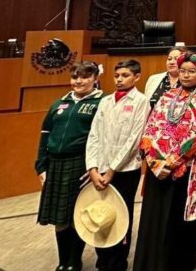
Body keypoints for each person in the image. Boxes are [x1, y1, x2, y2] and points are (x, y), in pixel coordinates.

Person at [134, 52, 196, 271]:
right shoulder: (166, 96)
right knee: (154, 218)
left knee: (179, 222)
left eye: (191, 72)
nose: (185, 75)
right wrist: (155, 163)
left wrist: (172, 162)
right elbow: (151, 127)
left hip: (187, 172)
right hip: (157, 170)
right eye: (182, 71)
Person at [35, 61, 103, 271]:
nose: (79, 81)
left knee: (77, 214)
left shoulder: (101, 102)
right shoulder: (59, 104)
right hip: (55, 164)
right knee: (59, 216)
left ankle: (75, 261)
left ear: (95, 79)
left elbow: (101, 138)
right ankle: (62, 261)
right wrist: (41, 166)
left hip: (81, 164)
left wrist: (95, 166)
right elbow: (45, 135)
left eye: (84, 77)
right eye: (75, 77)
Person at [85, 59, 149, 271]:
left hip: (125, 170)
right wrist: (92, 168)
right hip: (100, 169)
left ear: (136, 77)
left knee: (121, 215)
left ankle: (117, 262)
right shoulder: (105, 101)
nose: (120, 80)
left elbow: (133, 140)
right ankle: (102, 259)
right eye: (117, 76)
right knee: (100, 213)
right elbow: (94, 135)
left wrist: (113, 169)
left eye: (125, 76)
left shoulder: (141, 101)